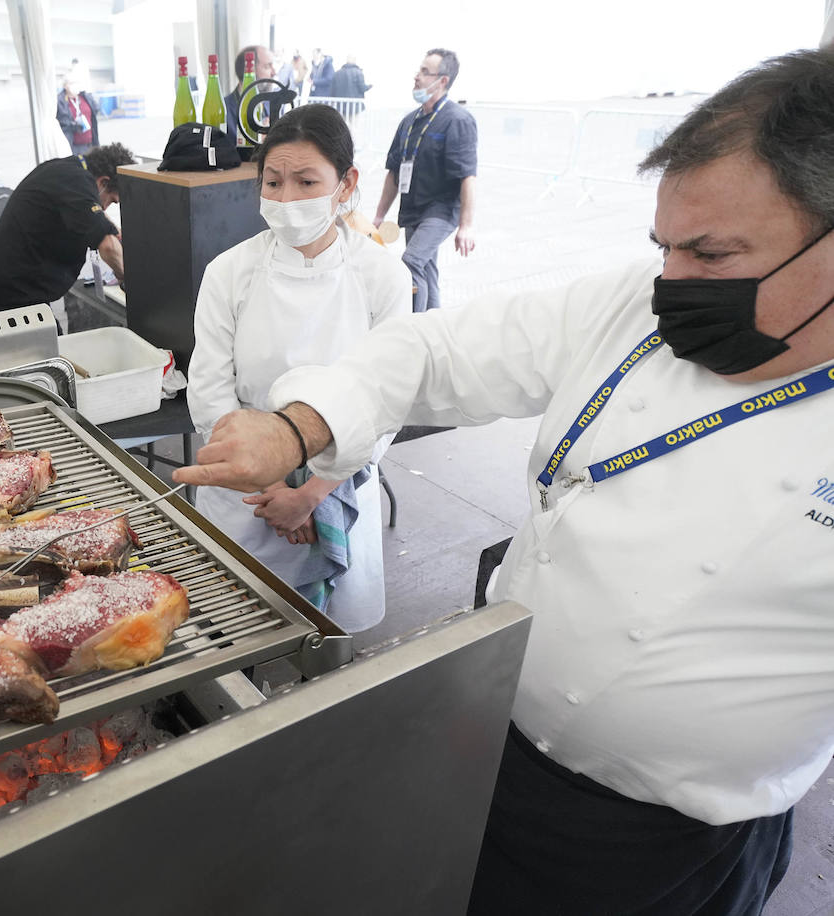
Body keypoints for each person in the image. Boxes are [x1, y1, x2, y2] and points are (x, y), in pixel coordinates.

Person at [175, 47, 834, 914]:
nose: (672, 285)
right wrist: (300, 426)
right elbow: (435, 351)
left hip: (671, 839)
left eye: (711, 255)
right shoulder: (634, 301)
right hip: (495, 736)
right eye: (662, 248)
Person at [188, 105, 411, 633]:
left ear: (346, 183)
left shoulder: (382, 277)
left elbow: (390, 400)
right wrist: (271, 485)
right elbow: (210, 391)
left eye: (306, 182)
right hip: (246, 490)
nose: (286, 199)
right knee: (233, 631)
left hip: (339, 481)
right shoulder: (229, 272)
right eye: (273, 182)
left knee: (326, 640)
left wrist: (311, 495)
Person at [0, 143, 133, 329]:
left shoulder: (68, 170)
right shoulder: (76, 183)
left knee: (49, 340)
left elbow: (96, 214)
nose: (107, 207)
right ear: (103, 182)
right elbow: (107, 246)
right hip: (17, 288)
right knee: (48, 345)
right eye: (112, 200)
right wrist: (126, 278)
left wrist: (116, 233)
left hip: (18, 280)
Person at [375, 48, 477, 312]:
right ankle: (434, 325)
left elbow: (467, 176)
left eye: (424, 72)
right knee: (427, 270)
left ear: (442, 80)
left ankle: (413, 327)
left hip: (441, 210)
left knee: (411, 263)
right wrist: (379, 216)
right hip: (413, 208)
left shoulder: (457, 120)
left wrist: (466, 226)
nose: (416, 76)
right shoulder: (409, 122)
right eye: (418, 70)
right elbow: (394, 173)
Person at [224, 45, 275, 145]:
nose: (273, 72)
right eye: (267, 66)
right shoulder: (224, 111)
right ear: (249, 69)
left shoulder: (271, 106)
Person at [55, 76, 100, 155]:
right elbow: (62, 121)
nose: (75, 85)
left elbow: (95, 110)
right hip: (73, 145)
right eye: (72, 83)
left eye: (77, 83)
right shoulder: (60, 101)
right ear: (65, 86)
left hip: (90, 142)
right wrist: (73, 125)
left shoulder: (85, 97)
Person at [329, 54, 371, 118]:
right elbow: (362, 88)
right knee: (353, 123)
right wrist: (370, 86)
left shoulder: (337, 73)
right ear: (354, 60)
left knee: (343, 123)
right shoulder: (358, 72)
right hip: (354, 106)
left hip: (341, 106)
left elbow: (332, 91)